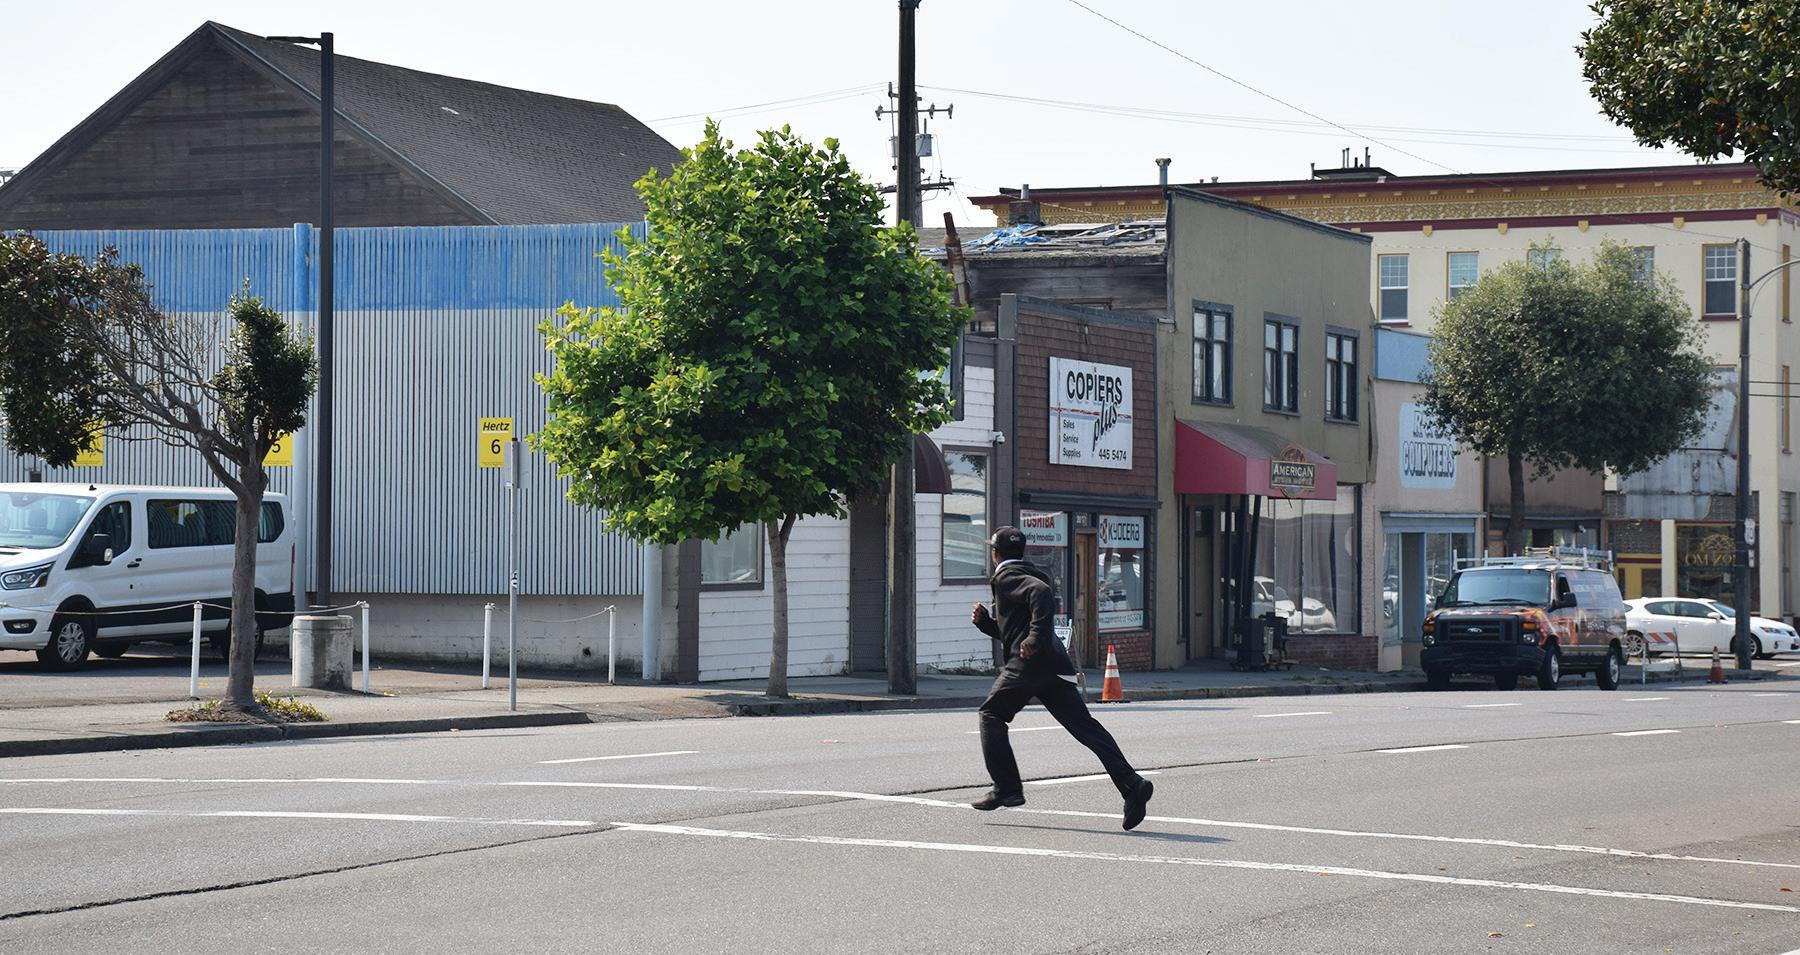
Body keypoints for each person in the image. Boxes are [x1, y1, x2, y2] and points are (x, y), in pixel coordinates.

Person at [969, 526, 1155, 830]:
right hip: (1054, 665)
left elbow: (1040, 596)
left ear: (995, 553)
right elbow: (1014, 629)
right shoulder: (1029, 572)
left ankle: (1007, 788)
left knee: (991, 714)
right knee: (1086, 728)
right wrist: (987, 624)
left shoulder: (1006, 576)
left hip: (1028, 664)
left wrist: (1034, 638)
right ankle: (1132, 784)